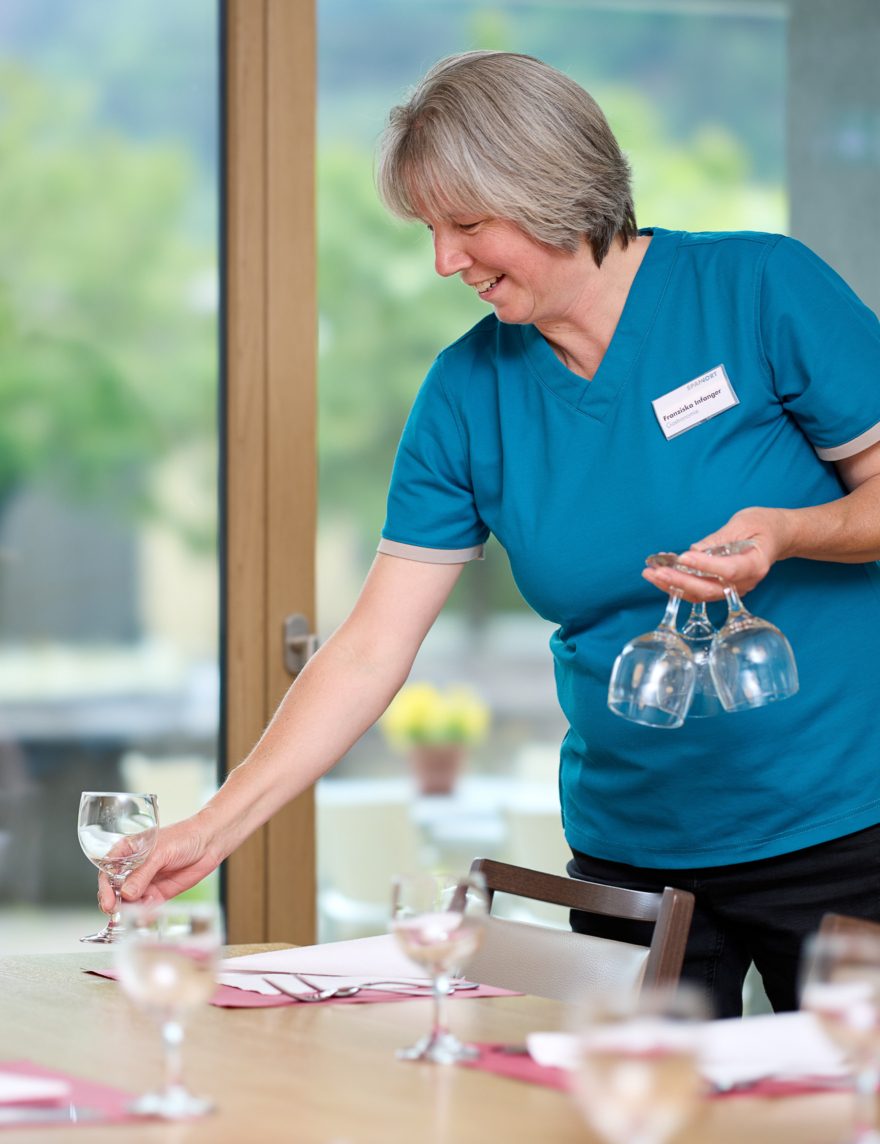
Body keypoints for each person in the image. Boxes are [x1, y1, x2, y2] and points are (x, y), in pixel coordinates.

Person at [100, 50, 880, 1018]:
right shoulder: (466, 391)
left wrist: (791, 530)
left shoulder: (758, 289)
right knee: (633, 1117)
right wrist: (215, 824)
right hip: (630, 858)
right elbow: (371, 646)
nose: (443, 261)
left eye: (468, 225)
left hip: (845, 827)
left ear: (556, 191)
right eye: (430, 229)